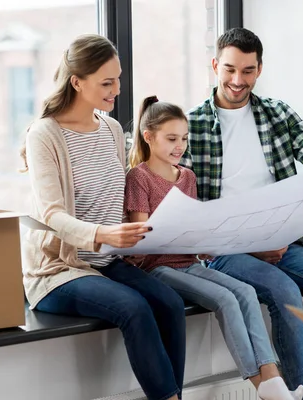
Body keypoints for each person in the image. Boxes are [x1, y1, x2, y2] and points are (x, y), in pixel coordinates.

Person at [180, 28, 303, 400]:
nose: (237, 80)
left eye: (247, 71)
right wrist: (249, 246)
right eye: (230, 69)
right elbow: (180, 199)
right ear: (215, 65)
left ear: (259, 69)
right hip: (225, 250)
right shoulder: (192, 125)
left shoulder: (278, 114)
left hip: (284, 240)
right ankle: (299, 391)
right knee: (284, 291)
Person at [20, 34, 186, 400]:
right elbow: (52, 215)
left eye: (119, 79)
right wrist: (104, 235)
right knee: (134, 308)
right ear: (77, 82)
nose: (117, 90)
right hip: (60, 271)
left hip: (108, 262)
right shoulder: (44, 134)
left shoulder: (111, 129)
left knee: (171, 304)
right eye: (107, 83)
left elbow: (121, 193)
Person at [125, 95, 303, 400]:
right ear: (149, 137)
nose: (179, 146)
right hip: (159, 268)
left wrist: (205, 241)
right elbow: (140, 239)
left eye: (184, 138)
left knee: (246, 293)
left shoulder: (188, 177)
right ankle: (260, 385)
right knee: (225, 298)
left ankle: (273, 378)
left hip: (190, 261)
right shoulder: (139, 178)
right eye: (171, 139)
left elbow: (192, 225)